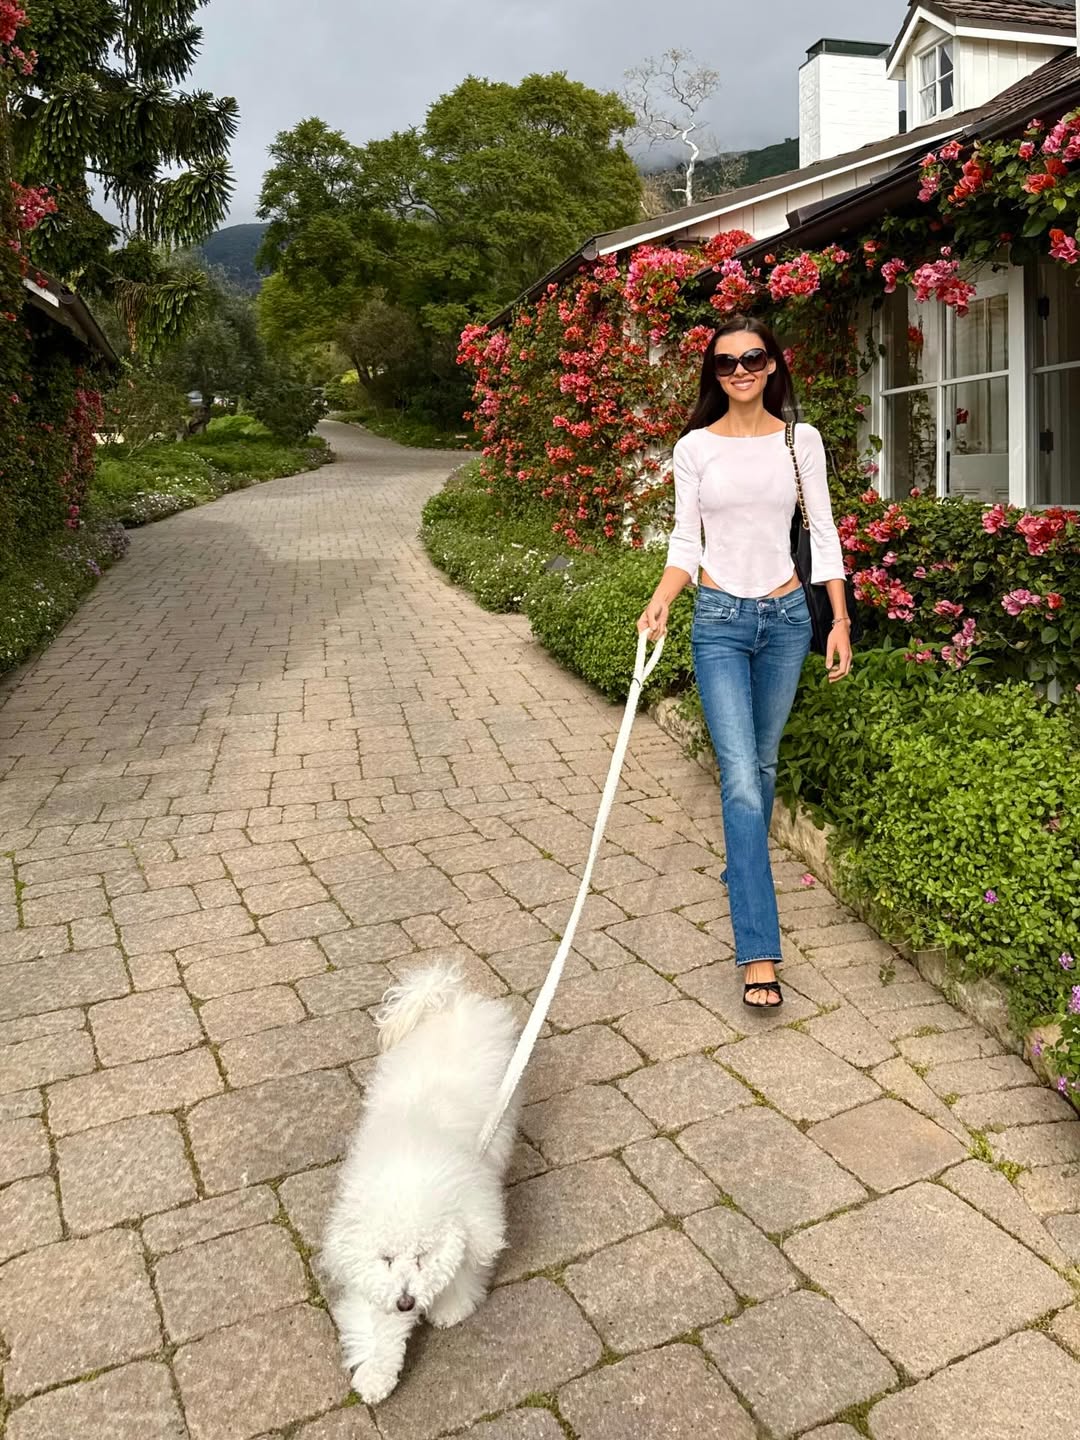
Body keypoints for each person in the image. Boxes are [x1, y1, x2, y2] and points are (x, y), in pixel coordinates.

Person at [636, 315, 852, 1009]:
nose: (739, 370)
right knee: (739, 781)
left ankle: (744, 866)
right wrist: (662, 599)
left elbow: (823, 531)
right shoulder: (694, 447)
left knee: (761, 768)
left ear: (772, 366)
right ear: (714, 373)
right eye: (726, 362)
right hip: (720, 621)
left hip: (789, 620)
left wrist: (839, 619)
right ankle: (759, 948)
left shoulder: (800, 441)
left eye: (752, 358)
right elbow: (683, 540)